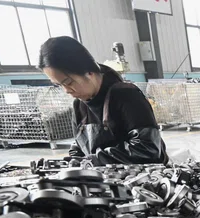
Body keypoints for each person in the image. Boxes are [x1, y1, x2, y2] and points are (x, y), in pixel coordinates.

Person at [38, 36, 167, 165]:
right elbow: (79, 145)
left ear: (88, 71)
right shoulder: (79, 105)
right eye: (59, 85)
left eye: (68, 82)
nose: (66, 90)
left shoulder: (126, 96)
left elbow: (147, 149)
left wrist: (95, 160)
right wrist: (74, 161)